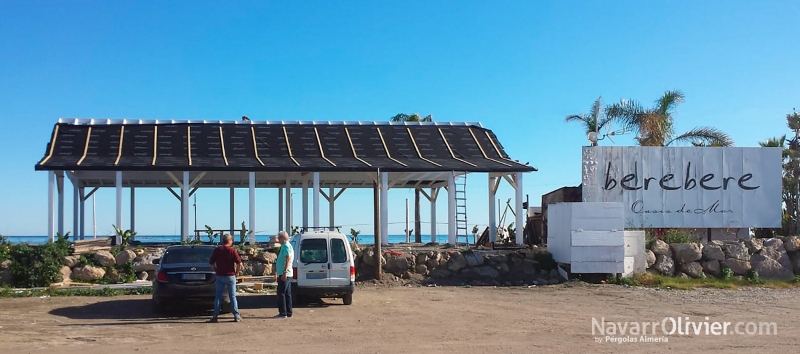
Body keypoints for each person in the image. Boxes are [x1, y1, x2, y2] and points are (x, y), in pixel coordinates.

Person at [209, 234, 243, 323]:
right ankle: (236, 315)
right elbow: (239, 263)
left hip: (220, 275)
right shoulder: (232, 250)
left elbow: (211, 264)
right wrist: (236, 273)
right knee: (232, 296)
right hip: (230, 275)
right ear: (230, 241)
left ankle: (215, 315)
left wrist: (216, 271)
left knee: (218, 297)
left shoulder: (217, 250)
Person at [275, 230, 294, 318]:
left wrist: (284, 272)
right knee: (287, 293)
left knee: (281, 293)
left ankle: (283, 313)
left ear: (283, 238)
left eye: (279, 238)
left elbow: (287, 258)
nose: (278, 239)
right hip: (287, 273)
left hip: (285, 273)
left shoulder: (285, 246)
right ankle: (288, 312)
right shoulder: (288, 245)